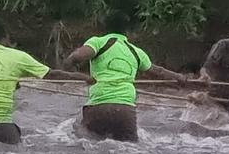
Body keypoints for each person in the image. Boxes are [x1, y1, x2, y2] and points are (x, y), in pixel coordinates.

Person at [0, 18, 91, 145]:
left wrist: (12, 83)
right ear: (5, 36)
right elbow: (52, 76)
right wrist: (84, 78)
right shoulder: (18, 57)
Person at [62, 11, 189, 142]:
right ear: (127, 31)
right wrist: (179, 77)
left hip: (98, 106)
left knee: (79, 134)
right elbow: (158, 71)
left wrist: (75, 71)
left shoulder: (98, 42)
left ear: (104, 28)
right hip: (125, 111)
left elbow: (76, 57)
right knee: (129, 148)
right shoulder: (137, 52)